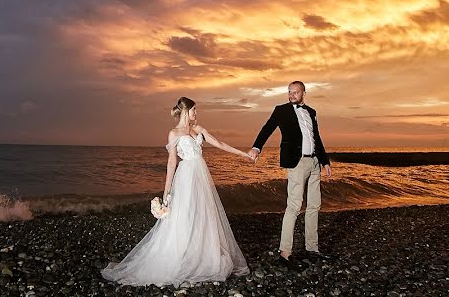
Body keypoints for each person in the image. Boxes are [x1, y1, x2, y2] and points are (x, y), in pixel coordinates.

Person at [102, 97, 251, 286]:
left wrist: (245, 154)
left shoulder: (198, 129)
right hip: (186, 178)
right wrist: (166, 191)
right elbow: (172, 162)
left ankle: (201, 254)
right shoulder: (174, 134)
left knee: (202, 215)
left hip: (201, 178)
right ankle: (180, 255)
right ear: (186, 111)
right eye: (194, 110)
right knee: (184, 215)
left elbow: (220, 143)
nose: (196, 114)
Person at [248, 81, 333, 269]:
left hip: (314, 162)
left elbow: (316, 138)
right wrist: (257, 147)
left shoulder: (311, 112)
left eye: (295, 92)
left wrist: (325, 161)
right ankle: (285, 253)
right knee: (294, 206)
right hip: (297, 162)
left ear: (303, 93)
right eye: (289, 92)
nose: (292, 95)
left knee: (314, 205)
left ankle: (312, 249)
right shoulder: (281, 110)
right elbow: (267, 128)